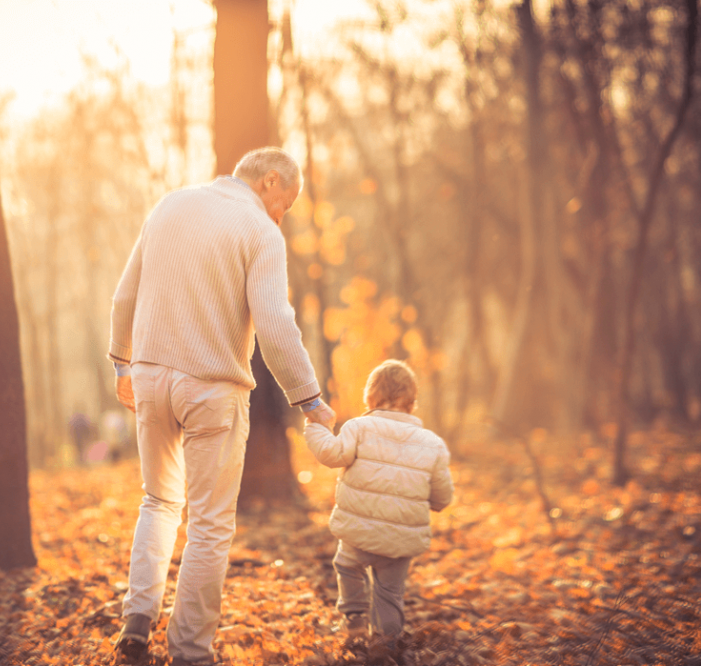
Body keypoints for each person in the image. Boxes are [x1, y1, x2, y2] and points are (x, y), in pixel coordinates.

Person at [108, 147, 335, 666]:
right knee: (209, 524)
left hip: (149, 377)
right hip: (211, 389)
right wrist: (310, 398)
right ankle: (190, 651)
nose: (284, 215)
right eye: (288, 202)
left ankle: (136, 621)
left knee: (158, 501)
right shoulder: (260, 231)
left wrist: (122, 364)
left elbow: (124, 296)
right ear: (270, 182)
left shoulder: (170, 205)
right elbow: (274, 324)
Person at [304, 360, 453, 642]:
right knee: (389, 592)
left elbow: (333, 455)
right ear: (411, 402)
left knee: (346, 566)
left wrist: (315, 428)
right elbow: (442, 498)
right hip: (400, 540)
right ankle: (386, 639)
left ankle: (355, 617)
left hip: (357, 532)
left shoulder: (358, 428)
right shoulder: (432, 444)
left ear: (370, 397)